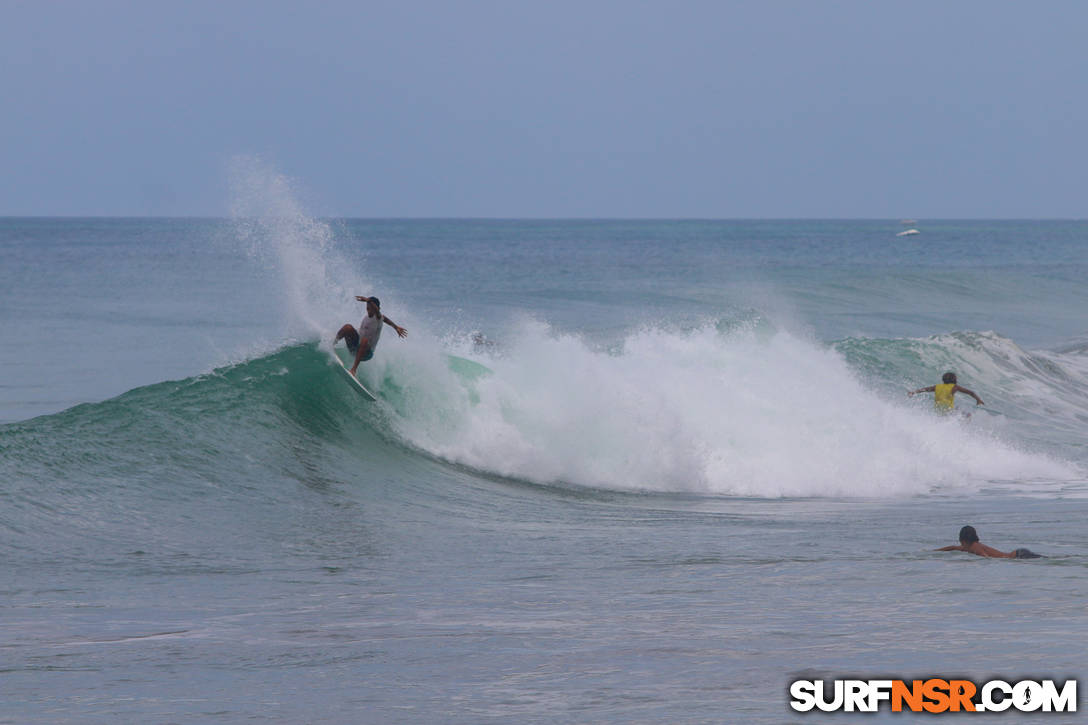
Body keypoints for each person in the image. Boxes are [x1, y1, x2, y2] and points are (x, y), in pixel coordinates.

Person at [333, 296, 407, 376]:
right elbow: (385, 318)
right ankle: (332, 344)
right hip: (355, 348)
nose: (369, 310)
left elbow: (380, 315)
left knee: (364, 341)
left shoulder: (378, 318)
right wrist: (396, 327)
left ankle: (353, 369)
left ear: (377, 308)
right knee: (347, 327)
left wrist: (367, 300)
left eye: (371, 308)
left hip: (366, 354)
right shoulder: (368, 317)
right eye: (368, 308)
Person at [936, 525, 1041, 559]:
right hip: (1018, 553)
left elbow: (986, 558)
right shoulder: (967, 546)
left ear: (962, 539)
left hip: (1018, 556)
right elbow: (952, 547)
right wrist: (934, 551)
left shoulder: (974, 547)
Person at [908, 372, 984, 413]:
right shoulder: (955, 387)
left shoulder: (937, 386)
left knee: (956, 410)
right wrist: (978, 400)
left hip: (938, 410)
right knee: (967, 414)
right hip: (948, 410)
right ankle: (962, 428)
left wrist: (913, 392)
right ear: (954, 380)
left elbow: (924, 389)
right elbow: (971, 392)